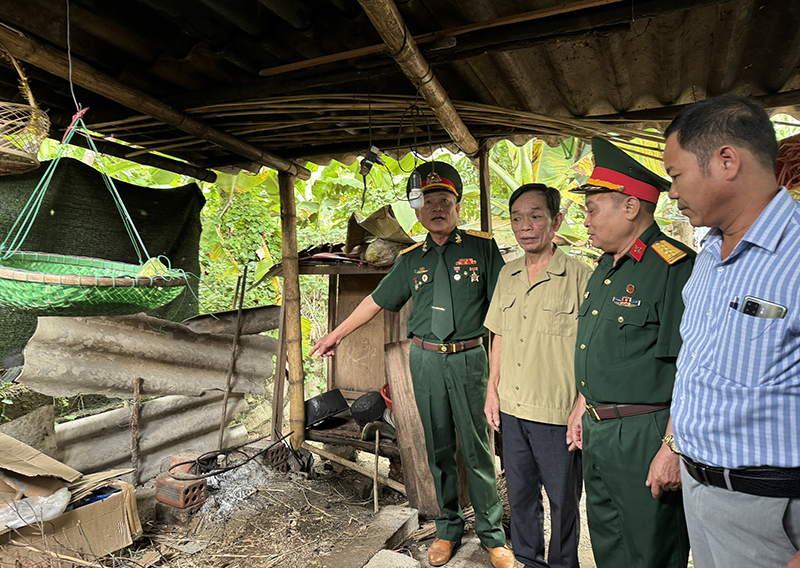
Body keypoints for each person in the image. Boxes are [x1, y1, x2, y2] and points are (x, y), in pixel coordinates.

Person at [310, 161, 514, 568]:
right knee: (437, 446)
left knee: (476, 448)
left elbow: (506, 311)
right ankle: (447, 530)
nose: (438, 207)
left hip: (470, 357)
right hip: (424, 360)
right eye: (429, 202)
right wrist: (335, 334)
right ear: (418, 213)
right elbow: (375, 302)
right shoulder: (410, 259)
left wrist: (499, 375)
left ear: (458, 207)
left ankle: (493, 536)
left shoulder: (481, 248)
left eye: (446, 200)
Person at [664, 94, 800, 568]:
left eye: (676, 175)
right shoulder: (709, 254)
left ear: (726, 161)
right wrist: (673, 446)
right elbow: (696, 367)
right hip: (702, 495)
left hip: (769, 513)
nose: (672, 192)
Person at [567, 137, 694, 568]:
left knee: (651, 551)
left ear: (630, 206)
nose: (585, 219)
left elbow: (689, 367)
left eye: (592, 207)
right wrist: (583, 406)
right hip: (600, 431)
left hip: (646, 434)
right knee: (609, 544)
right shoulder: (606, 266)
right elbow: (600, 349)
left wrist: (673, 447)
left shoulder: (673, 267)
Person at [483, 183, 591, 568]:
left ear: (556, 220)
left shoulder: (581, 277)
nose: (524, 226)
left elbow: (592, 350)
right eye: (516, 218)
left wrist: (581, 404)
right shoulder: (508, 276)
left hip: (557, 413)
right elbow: (498, 336)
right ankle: (528, 561)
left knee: (564, 502)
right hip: (512, 409)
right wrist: (492, 390)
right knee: (522, 495)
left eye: (535, 216)